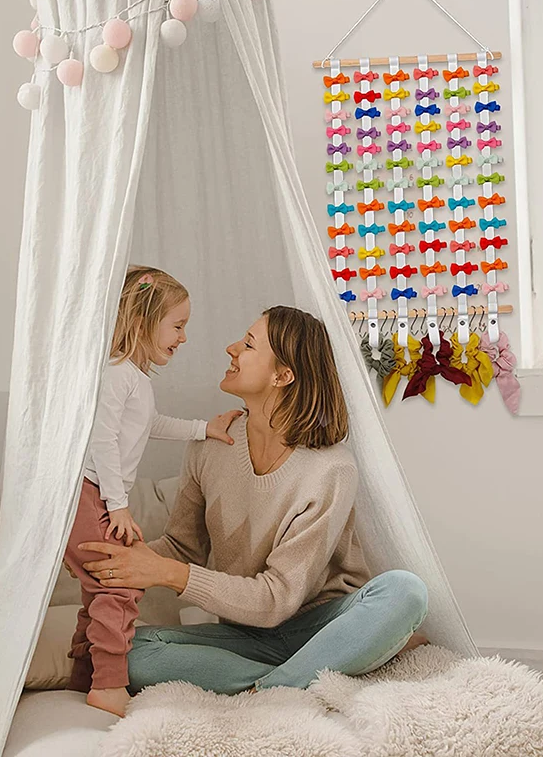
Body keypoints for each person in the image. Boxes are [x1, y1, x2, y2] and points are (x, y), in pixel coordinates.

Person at [78, 305, 429, 709]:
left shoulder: (330, 469)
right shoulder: (209, 447)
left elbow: (277, 599)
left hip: (321, 623)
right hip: (249, 636)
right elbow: (181, 548)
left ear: (282, 375)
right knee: (126, 651)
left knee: (405, 591)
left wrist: (169, 573)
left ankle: (271, 691)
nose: (231, 349)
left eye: (247, 344)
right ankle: (309, 673)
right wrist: (118, 559)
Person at [62, 265, 241, 717]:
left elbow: (148, 426)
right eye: (177, 326)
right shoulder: (117, 374)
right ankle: (107, 686)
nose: (183, 338)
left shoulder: (134, 379)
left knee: (103, 586)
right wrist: (118, 505)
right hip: (90, 494)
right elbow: (101, 438)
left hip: (97, 494)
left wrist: (204, 428)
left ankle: (84, 675)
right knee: (120, 583)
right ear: (143, 321)